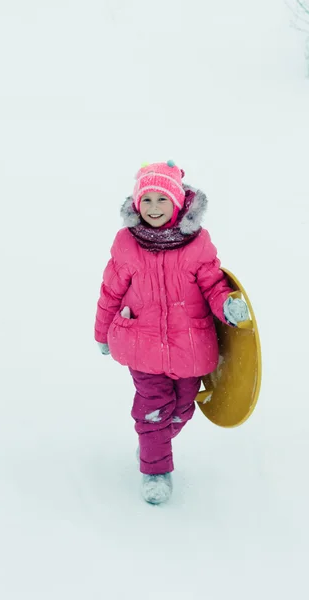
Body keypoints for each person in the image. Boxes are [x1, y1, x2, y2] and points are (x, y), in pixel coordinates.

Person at [94, 161, 248, 505]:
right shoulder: (126, 244)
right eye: (145, 200)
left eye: (161, 200)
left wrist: (227, 307)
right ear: (136, 205)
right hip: (141, 343)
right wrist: (102, 333)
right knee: (153, 408)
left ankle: (153, 441)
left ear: (178, 203)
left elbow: (213, 285)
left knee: (181, 409)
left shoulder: (198, 245)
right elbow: (110, 292)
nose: (153, 209)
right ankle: (155, 472)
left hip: (189, 347)